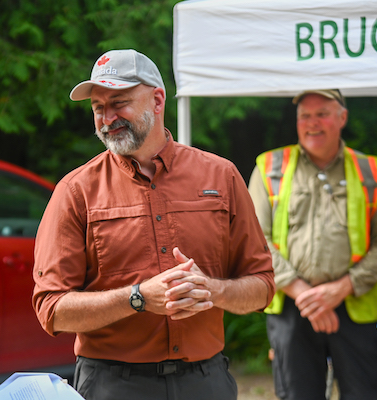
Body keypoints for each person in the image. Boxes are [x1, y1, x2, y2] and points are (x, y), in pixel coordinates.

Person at [32, 49, 275, 400]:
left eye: (119, 102)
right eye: (98, 108)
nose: (107, 118)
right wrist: (138, 298)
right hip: (113, 385)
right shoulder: (75, 191)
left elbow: (263, 286)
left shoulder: (221, 176)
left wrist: (213, 291)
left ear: (157, 99)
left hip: (206, 381)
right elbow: (52, 309)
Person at [248, 89, 377, 399]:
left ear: (342, 118)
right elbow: (254, 238)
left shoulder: (371, 170)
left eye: (322, 114)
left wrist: (342, 288)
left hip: (353, 305)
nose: (312, 123)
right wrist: (306, 296)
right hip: (293, 306)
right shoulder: (269, 167)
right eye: (305, 115)